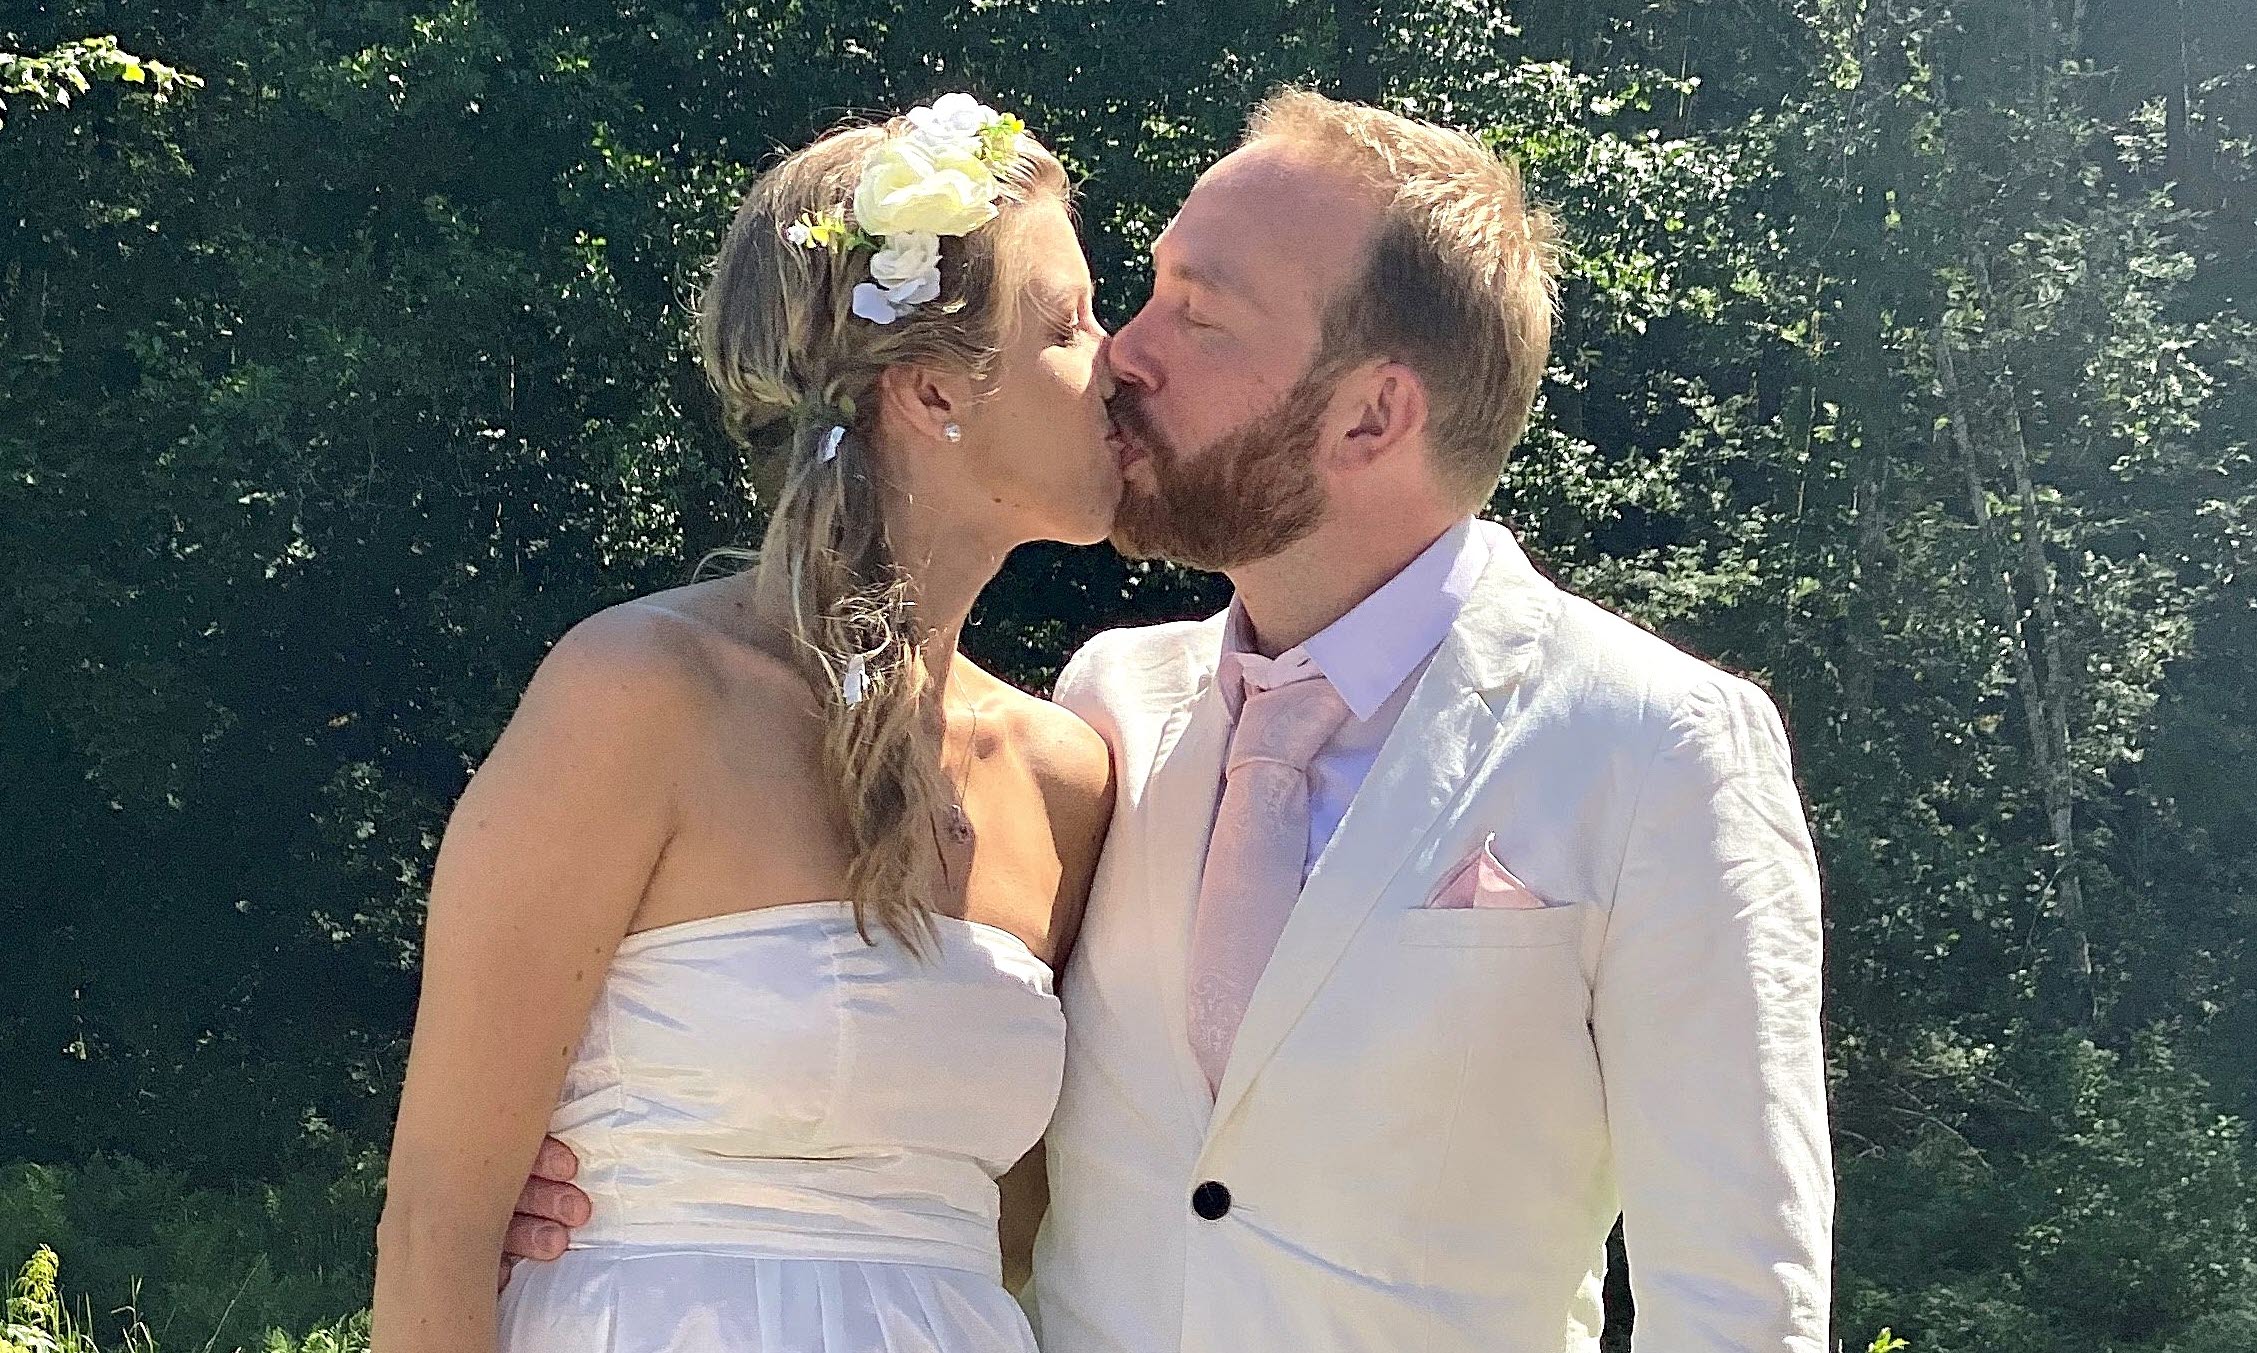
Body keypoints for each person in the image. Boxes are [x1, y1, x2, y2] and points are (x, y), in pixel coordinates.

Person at [510, 88, 1834, 1352]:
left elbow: (1738, 1309)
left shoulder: (1658, 749)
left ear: (1372, 414)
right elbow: (975, 1144)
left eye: (1197, 316)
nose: (1125, 355)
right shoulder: (1108, 716)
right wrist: (640, 1189)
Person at [371, 95, 1116, 1353]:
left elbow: (1028, 1230)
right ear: (933, 392)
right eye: (1070, 323)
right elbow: (438, 1225)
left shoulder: (1067, 778)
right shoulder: (642, 696)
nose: (1120, 360)